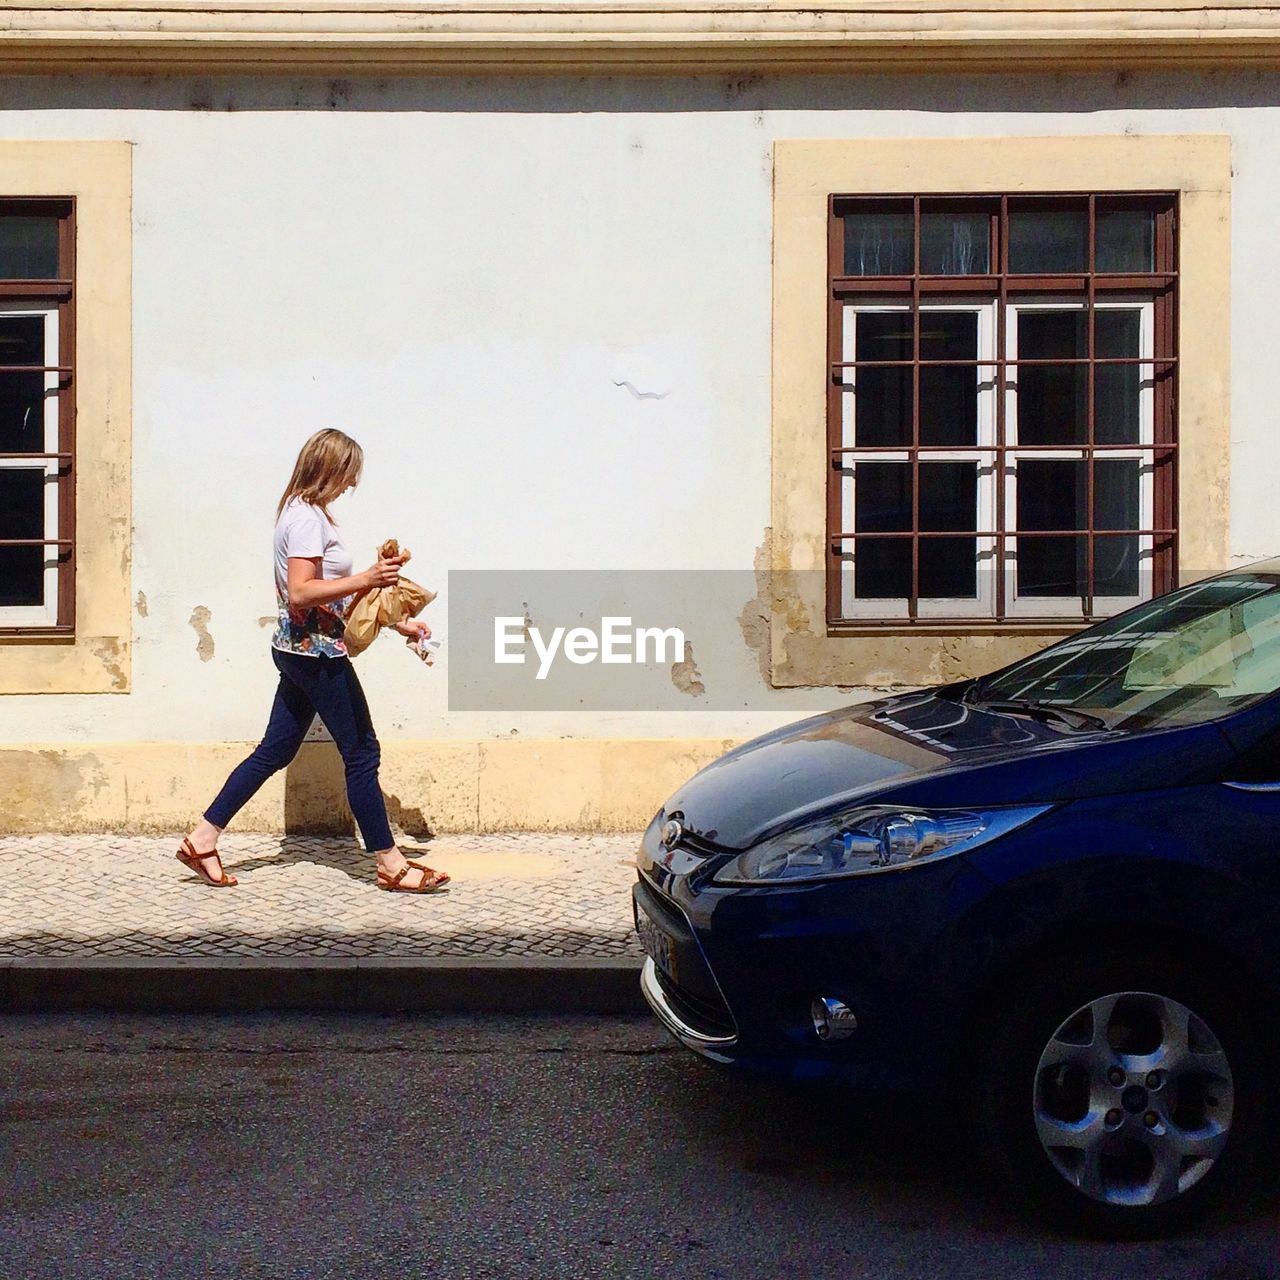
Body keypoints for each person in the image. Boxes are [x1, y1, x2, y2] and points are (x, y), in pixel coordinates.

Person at [176, 428, 449, 893]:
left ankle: (202, 840)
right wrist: (367, 577)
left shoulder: (304, 513)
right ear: (329, 469)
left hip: (297, 650)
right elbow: (302, 592)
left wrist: (395, 622)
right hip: (316, 654)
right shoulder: (305, 520)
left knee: (275, 751)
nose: (352, 485)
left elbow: (320, 598)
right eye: (348, 475)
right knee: (362, 752)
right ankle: (390, 864)